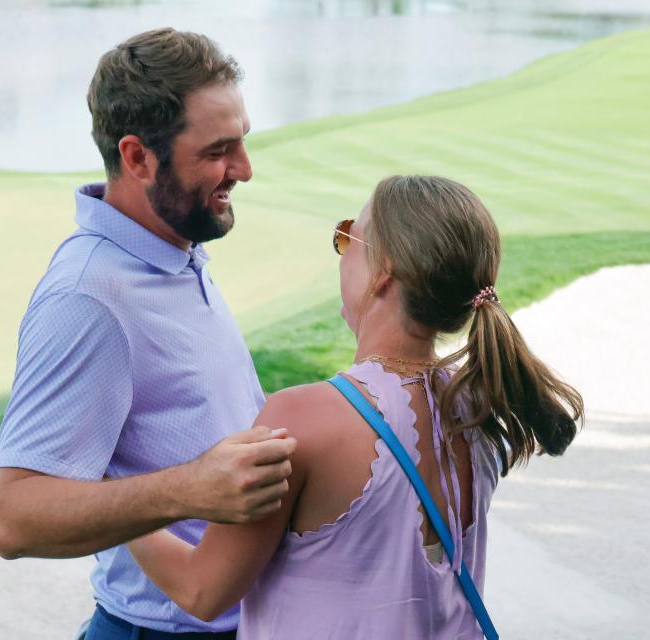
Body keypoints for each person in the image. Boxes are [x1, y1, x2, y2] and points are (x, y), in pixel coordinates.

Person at [127, 175, 585, 638]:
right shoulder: (479, 408)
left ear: (384, 268)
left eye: (348, 237)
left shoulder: (301, 417)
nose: (342, 253)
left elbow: (202, 591)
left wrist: (115, 495)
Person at [0, 29, 296, 639]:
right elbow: (10, 518)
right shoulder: (88, 296)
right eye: (218, 151)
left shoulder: (174, 248)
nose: (244, 170)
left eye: (243, 143)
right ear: (137, 157)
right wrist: (189, 490)